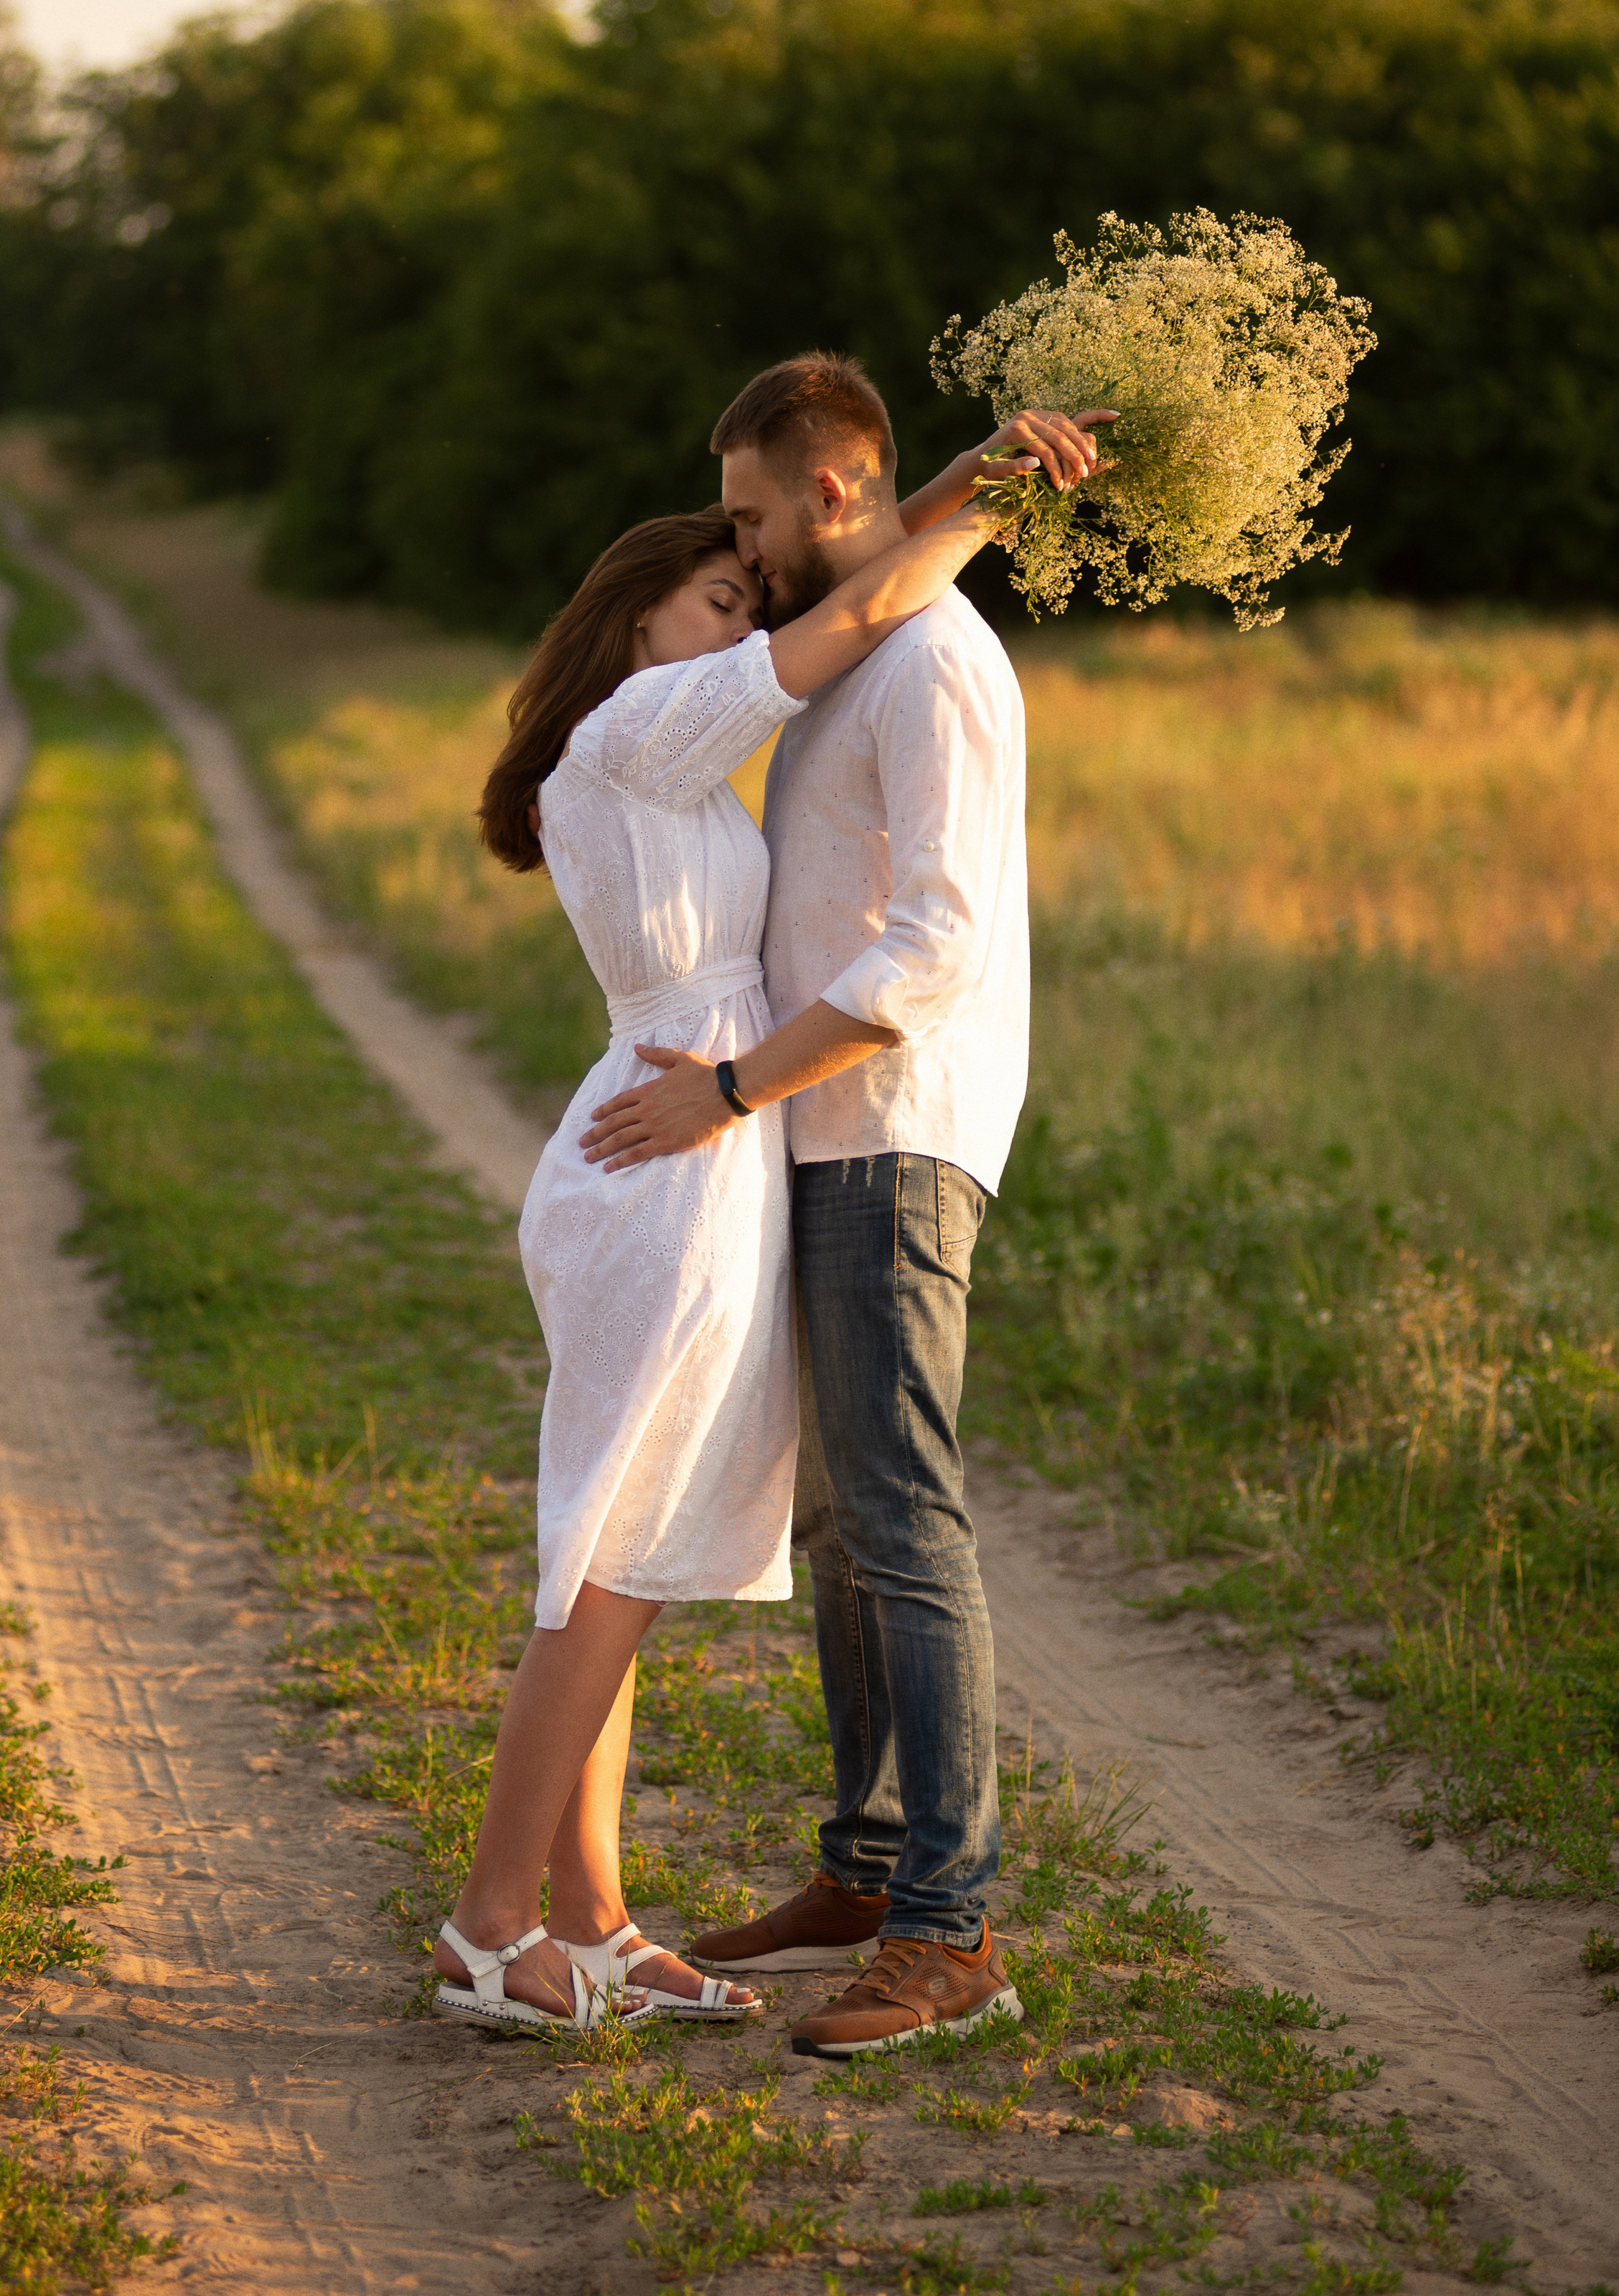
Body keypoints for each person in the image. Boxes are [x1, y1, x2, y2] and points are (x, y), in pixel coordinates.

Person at [577, 355, 1112, 2056]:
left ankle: (947, 1929)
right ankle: (870, 1869)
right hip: (821, 1136)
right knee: (840, 1527)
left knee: (900, 1512)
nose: (732, 542)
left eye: (745, 513)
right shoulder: (851, 654)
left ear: (824, 492)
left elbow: (934, 946)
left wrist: (733, 1088)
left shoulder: (938, 664)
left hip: (886, 1127)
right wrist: (974, 480)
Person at [432, 485, 1012, 2030]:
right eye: (714, 601)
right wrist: (984, 490)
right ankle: (491, 1925)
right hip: (668, 1164)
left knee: (612, 1552)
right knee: (606, 1571)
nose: (739, 628)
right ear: (636, 619)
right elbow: (854, 615)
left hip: (678, 1150)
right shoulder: (637, 729)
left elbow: (839, 605)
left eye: (740, 607)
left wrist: (940, 500)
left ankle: (594, 1920)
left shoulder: (652, 757)